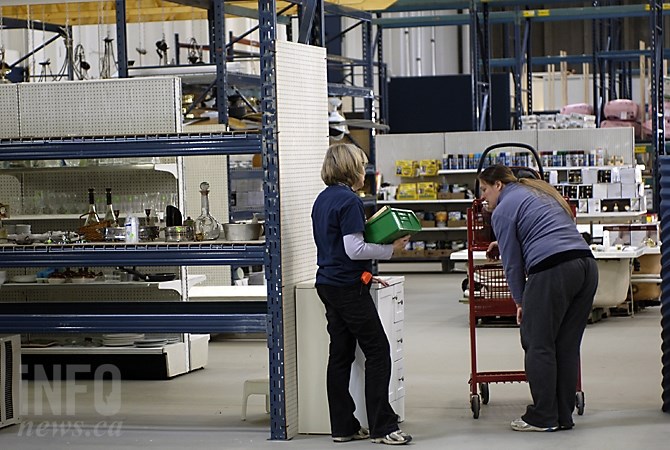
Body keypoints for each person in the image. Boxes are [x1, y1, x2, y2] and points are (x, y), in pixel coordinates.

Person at [478, 164, 598, 432]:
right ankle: (562, 416)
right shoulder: (537, 193)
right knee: (566, 346)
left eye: (485, 189)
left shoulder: (503, 210)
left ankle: (542, 416)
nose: (483, 196)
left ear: (499, 185)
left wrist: (520, 301)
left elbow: (512, 264)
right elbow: (542, 230)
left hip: (552, 270)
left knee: (538, 343)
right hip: (585, 266)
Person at [311, 143, 412, 445]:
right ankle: (383, 427)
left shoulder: (322, 200)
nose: (365, 171)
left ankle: (343, 426)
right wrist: (389, 250)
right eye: (362, 165)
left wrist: (368, 274)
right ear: (350, 169)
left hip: (328, 283)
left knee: (340, 355)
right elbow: (353, 249)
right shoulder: (349, 201)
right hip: (347, 287)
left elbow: (334, 248)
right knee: (379, 352)